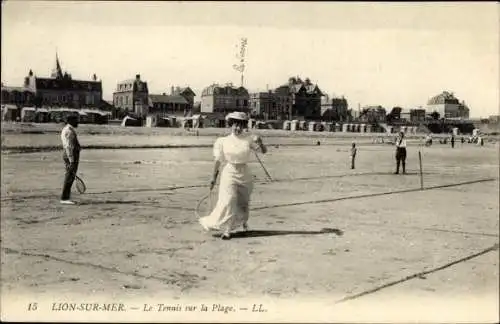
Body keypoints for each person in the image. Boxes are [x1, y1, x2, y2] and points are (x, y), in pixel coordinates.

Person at [199, 111, 267, 240]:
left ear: (244, 126)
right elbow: (218, 160)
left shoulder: (249, 139)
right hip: (229, 172)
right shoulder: (223, 141)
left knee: (243, 202)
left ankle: (243, 222)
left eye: (241, 125)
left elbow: (263, 151)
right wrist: (213, 177)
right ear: (230, 125)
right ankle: (227, 230)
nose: (238, 128)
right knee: (229, 200)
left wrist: (261, 142)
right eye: (235, 125)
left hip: (245, 173)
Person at [60, 114, 81, 204]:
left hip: (69, 155)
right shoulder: (69, 131)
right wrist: (71, 160)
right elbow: (68, 146)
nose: (78, 122)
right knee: (69, 176)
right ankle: (64, 198)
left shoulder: (68, 129)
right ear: (71, 121)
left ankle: (66, 197)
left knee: (70, 176)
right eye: (76, 120)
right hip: (70, 155)